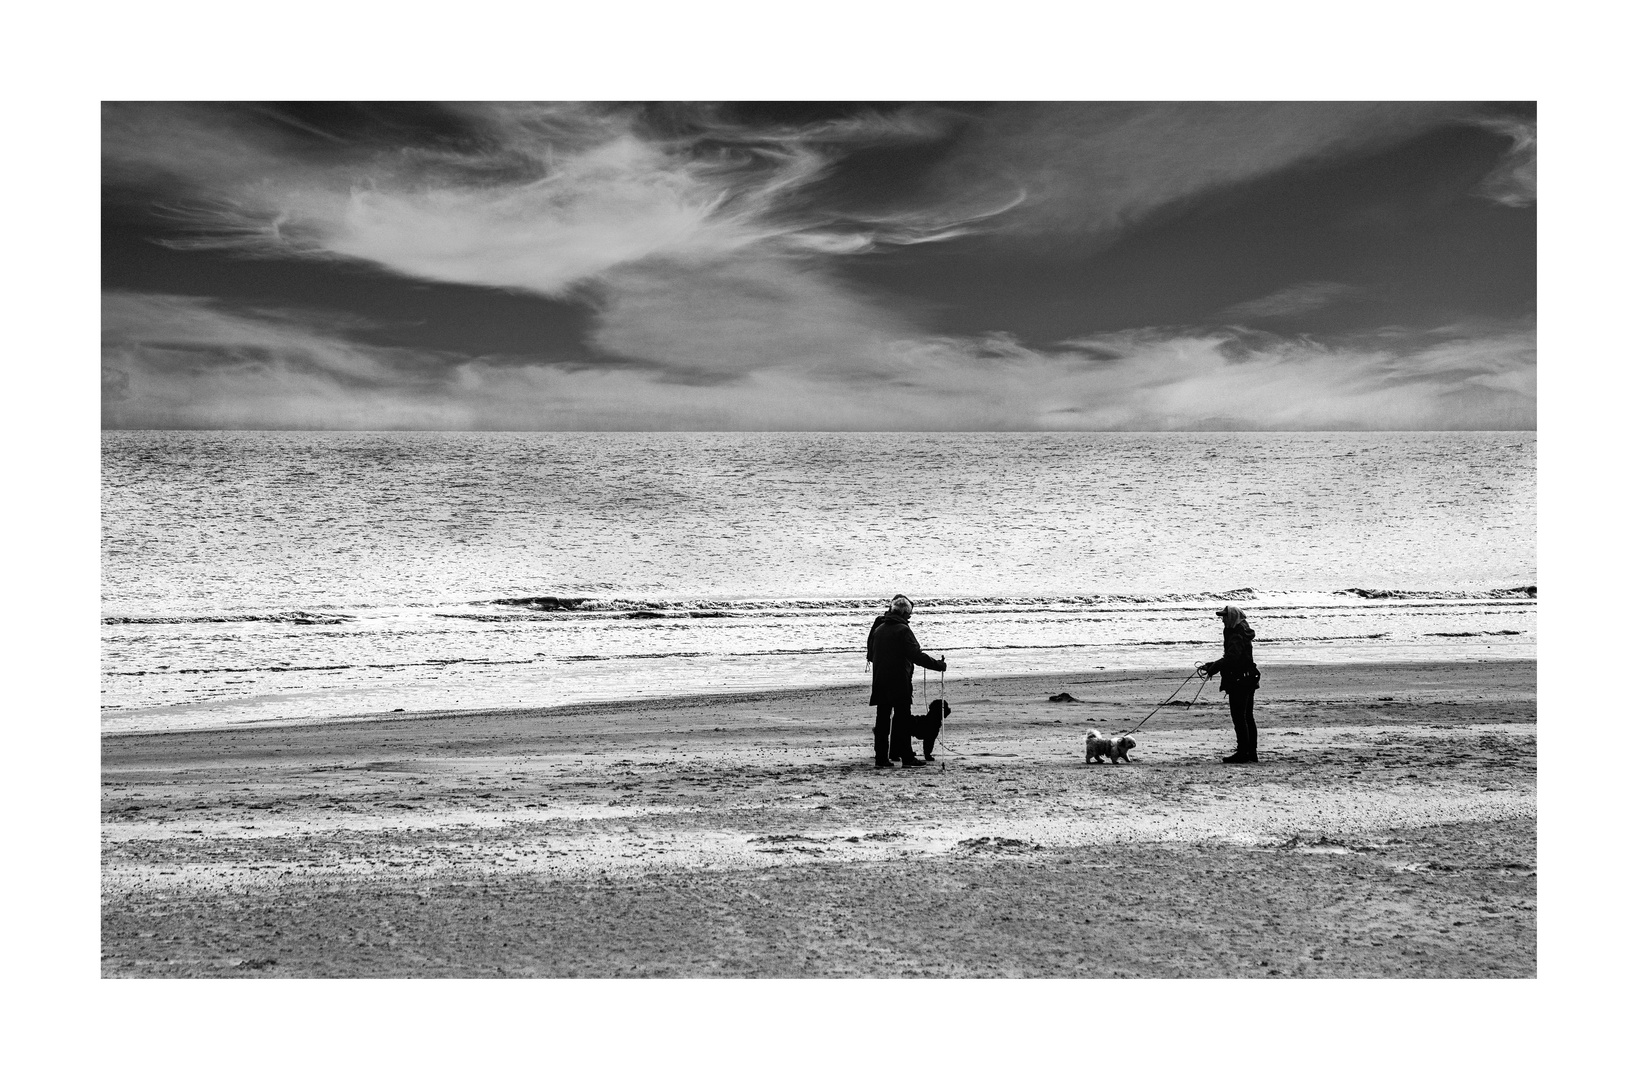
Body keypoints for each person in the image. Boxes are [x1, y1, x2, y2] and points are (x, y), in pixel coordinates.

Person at [866, 594, 946, 768]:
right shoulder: (903, 630)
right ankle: (907, 757)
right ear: (903, 614)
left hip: (880, 681)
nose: (910, 617)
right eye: (909, 614)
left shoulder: (879, 629)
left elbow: (872, 655)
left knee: (882, 721)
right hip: (899, 683)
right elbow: (916, 656)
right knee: (902, 720)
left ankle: (881, 759)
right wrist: (939, 665)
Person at [1197, 605, 1261, 764]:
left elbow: (1232, 659)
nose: (1223, 620)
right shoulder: (1241, 631)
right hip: (1248, 678)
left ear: (1232, 618)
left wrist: (1214, 667)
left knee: (1240, 717)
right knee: (1247, 716)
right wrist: (1212, 665)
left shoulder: (1237, 634)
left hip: (1240, 681)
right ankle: (1250, 753)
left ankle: (1243, 753)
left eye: (1225, 617)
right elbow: (1231, 658)